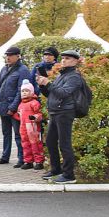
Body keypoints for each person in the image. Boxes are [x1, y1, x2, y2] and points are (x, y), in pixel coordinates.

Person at [36, 50, 82, 184]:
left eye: (67, 58)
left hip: (65, 113)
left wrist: (49, 84)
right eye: (63, 58)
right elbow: (51, 94)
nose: (63, 60)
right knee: (50, 141)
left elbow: (63, 93)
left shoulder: (74, 76)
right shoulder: (62, 75)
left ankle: (69, 175)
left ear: (75, 61)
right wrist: (43, 85)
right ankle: (56, 169)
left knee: (64, 144)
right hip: (56, 112)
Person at [0, 46, 30, 168]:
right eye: (6, 55)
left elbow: (22, 90)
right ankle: (5, 156)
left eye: (10, 55)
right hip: (3, 105)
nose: (7, 57)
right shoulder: (4, 69)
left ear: (18, 56)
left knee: (18, 134)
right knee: (6, 133)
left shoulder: (23, 69)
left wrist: (13, 107)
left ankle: (22, 158)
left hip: (14, 107)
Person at [15, 80, 44, 170]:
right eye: (23, 91)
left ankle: (39, 161)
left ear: (31, 92)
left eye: (27, 91)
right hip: (23, 128)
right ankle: (28, 161)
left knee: (35, 144)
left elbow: (40, 114)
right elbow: (19, 115)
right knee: (25, 144)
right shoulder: (21, 104)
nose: (24, 93)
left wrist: (35, 117)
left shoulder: (34, 103)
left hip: (33, 128)